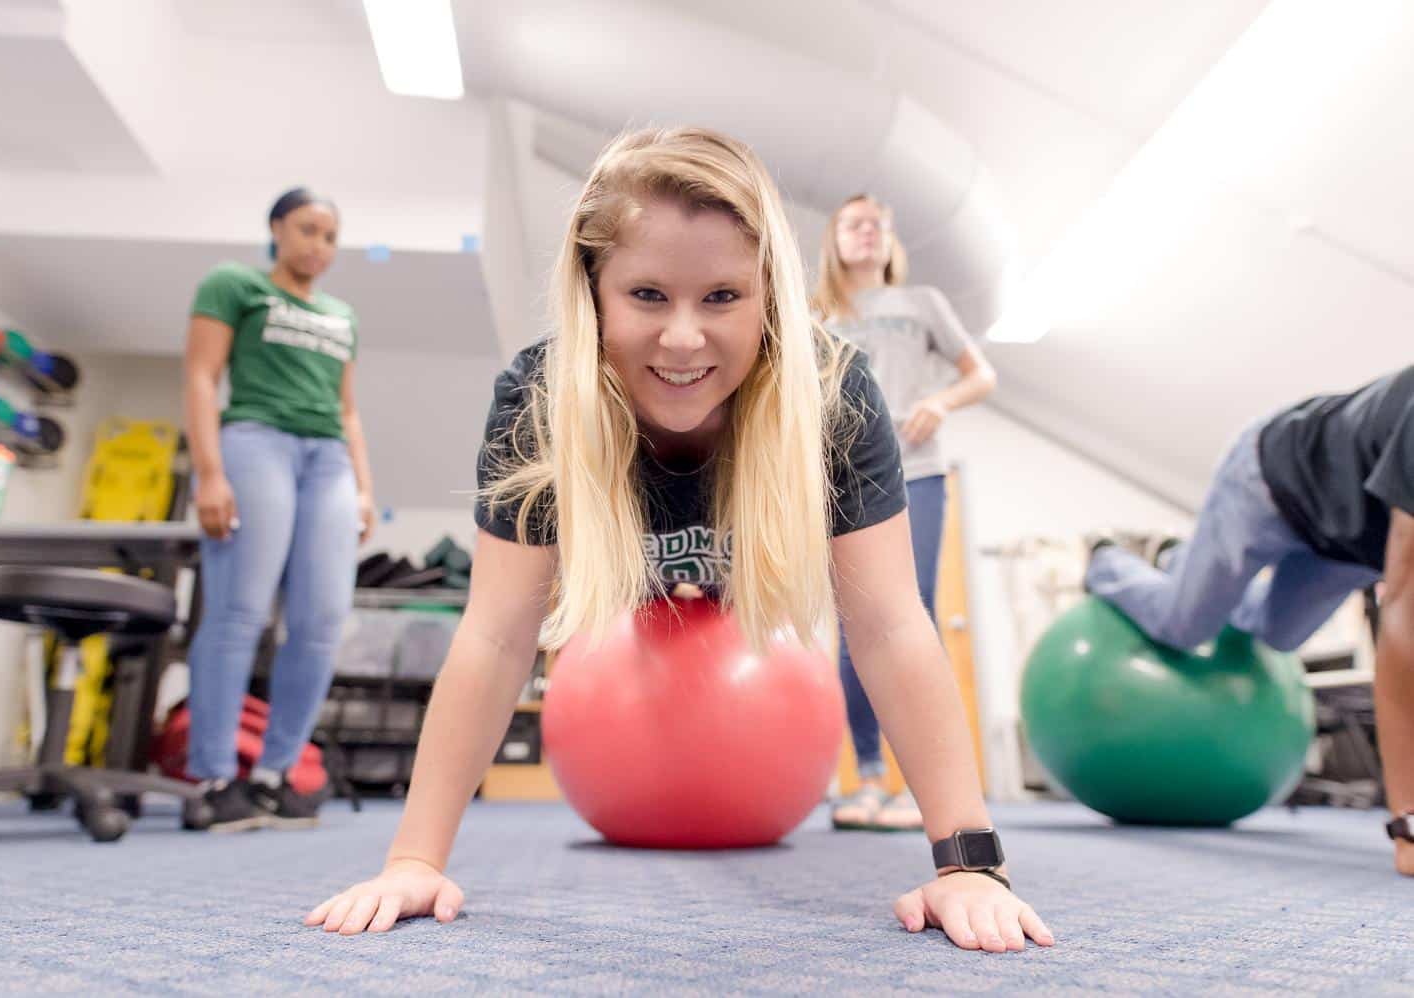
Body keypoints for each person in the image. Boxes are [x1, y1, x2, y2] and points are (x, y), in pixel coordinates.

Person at [305, 128, 1052, 952]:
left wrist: (971, 864)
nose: (685, 338)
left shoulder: (833, 394)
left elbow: (888, 625)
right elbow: (494, 633)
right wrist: (413, 859)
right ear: (593, 292)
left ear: (768, 294)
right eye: (649, 296)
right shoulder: (539, 400)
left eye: (723, 297)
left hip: (758, 609)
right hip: (626, 626)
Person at [1086, 367, 1414, 876]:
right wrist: (1408, 824)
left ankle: (1181, 563)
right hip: (1271, 478)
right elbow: (1402, 620)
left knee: (1276, 635)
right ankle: (1107, 562)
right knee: (1184, 626)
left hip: (1345, 542)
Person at [182, 187, 376, 832]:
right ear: (276, 230)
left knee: (321, 621)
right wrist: (209, 473)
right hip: (254, 441)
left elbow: (348, 410)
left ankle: (275, 775)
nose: (317, 246)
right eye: (306, 230)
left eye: (329, 236)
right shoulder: (232, 284)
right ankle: (213, 778)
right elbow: (203, 377)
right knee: (240, 612)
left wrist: (365, 487)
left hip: (327, 460)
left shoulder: (344, 315)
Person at [814, 194, 996, 832]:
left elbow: (981, 375)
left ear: (890, 241)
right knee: (853, 621)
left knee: (912, 612)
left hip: (915, 469)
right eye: (853, 224)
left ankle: (928, 789)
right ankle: (866, 782)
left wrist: (941, 404)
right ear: (834, 239)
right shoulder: (816, 313)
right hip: (839, 479)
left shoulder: (923, 304)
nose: (865, 233)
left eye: (877, 225)